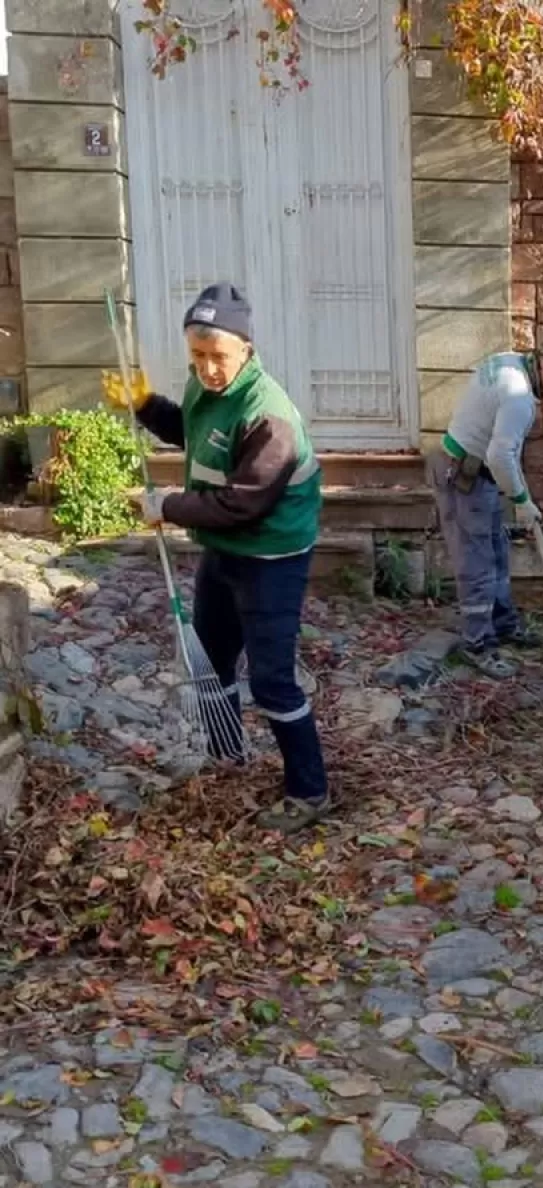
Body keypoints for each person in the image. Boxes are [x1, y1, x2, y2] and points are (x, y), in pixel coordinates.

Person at [102, 283, 331, 834]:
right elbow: (197, 433)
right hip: (224, 551)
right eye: (197, 356)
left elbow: (242, 503)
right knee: (212, 658)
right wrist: (146, 406)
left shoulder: (268, 415)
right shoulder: (210, 389)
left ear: (246, 349)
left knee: (272, 680)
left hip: (271, 557)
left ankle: (309, 790)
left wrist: (166, 505)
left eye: (218, 356)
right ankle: (226, 755)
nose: (207, 368)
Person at [431, 334, 543, 678]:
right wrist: (521, 500)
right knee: (478, 562)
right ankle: (477, 644)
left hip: (478, 472)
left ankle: (503, 625)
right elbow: (500, 454)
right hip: (461, 474)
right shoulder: (519, 397)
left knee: (498, 552)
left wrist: (518, 493)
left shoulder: (507, 361)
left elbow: (500, 453)